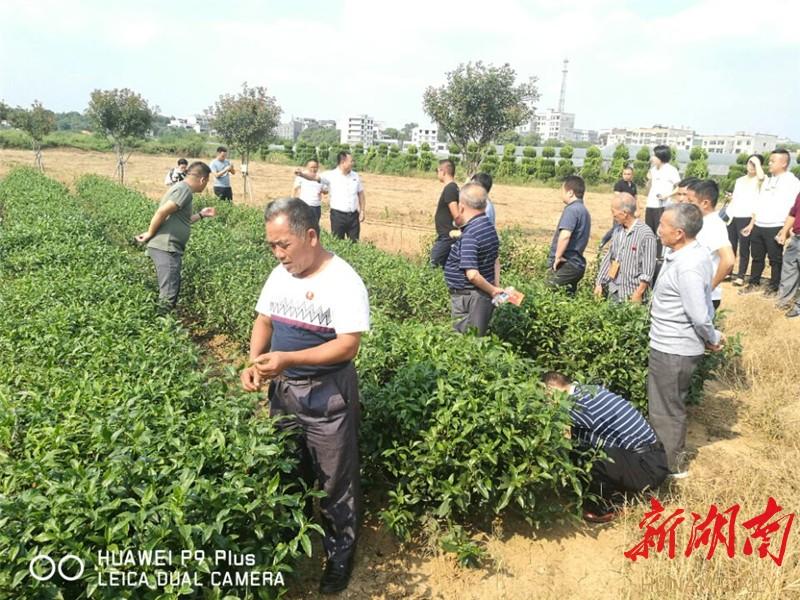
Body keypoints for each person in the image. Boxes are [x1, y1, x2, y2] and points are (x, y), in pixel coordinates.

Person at [240, 198, 369, 595]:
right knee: (289, 469)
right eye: (272, 247)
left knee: (335, 481)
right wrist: (253, 362)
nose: (278, 255)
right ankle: (293, 542)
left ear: (310, 236)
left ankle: (340, 555)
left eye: (284, 245)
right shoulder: (279, 275)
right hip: (283, 392)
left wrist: (288, 358)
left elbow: (348, 346)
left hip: (326, 394)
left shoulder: (343, 279)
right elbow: (263, 320)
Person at [648, 203, 724, 477]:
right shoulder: (685, 255)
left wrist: (711, 336)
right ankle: (664, 458)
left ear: (679, 233)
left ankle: (670, 467)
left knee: (666, 409)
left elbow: (699, 313)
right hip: (670, 345)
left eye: (663, 226)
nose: (659, 231)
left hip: (674, 348)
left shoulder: (689, 265)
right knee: (665, 405)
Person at [543, 372, 669, 524]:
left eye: (546, 397)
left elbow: (554, 430)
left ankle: (606, 507)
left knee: (588, 453)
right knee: (584, 439)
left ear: (552, 391)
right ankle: (618, 489)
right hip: (653, 459)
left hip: (646, 469)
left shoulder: (579, 405)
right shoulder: (589, 390)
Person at [135, 162, 216, 308]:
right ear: (202, 179)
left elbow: (182, 219)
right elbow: (162, 212)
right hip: (166, 248)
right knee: (168, 294)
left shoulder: (182, 189)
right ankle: (162, 327)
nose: (205, 186)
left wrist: (201, 214)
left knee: (170, 290)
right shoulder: (184, 190)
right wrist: (149, 233)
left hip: (168, 248)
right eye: (207, 182)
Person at [739, 149, 800, 297]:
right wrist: (752, 224)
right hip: (759, 224)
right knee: (757, 257)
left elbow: (794, 209)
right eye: (770, 161)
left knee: (775, 259)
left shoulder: (792, 182)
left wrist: (785, 230)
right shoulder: (767, 180)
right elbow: (759, 203)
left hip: (776, 225)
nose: (770, 164)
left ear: (784, 163)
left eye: (773, 161)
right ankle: (753, 283)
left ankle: (774, 286)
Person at [443, 182, 502, 336]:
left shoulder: (471, 234)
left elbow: (473, 275)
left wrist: (494, 290)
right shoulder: (489, 227)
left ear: (461, 207)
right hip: (480, 295)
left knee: (465, 343)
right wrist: (495, 285)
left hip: (469, 298)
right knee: (476, 338)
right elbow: (496, 260)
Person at [594, 193, 657, 303]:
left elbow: (648, 269)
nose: (612, 215)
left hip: (632, 294)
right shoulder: (617, 231)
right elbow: (609, 258)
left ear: (624, 213)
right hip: (614, 290)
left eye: (614, 212)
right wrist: (599, 283)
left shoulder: (645, 233)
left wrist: (638, 293)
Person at [686, 180, 735, 310]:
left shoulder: (714, 225)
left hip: (705, 298)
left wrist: (710, 288)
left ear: (705, 203)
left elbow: (729, 260)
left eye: (691, 201)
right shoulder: (701, 222)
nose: (687, 204)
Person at [296, 151, 365, 242]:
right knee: (337, 242)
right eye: (351, 161)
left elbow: (361, 193)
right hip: (338, 216)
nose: (353, 163)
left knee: (355, 243)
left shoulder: (355, 176)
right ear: (343, 162)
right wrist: (302, 174)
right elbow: (314, 177)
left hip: (353, 216)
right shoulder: (331, 175)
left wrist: (362, 211)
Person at [547, 175, 592, 295]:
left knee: (546, 293)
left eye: (562, 190)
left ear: (570, 193)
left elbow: (565, 235)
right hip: (576, 265)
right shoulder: (584, 211)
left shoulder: (572, 210)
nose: (561, 193)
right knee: (566, 298)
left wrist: (557, 257)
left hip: (567, 263)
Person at [727, 155, 765, 286]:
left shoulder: (760, 180)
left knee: (744, 248)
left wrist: (751, 222)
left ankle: (741, 275)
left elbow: (761, 177)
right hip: (733, 216)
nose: (752, 166)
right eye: (750, 162)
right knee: (730, 246)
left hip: (746, 217)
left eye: (755, 164)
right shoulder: (739, 180)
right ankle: (728, 271)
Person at [645, 145, 681, 255]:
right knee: (649, 231)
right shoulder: (653, 170)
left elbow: (679, 186)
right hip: (651, 204)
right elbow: (649, 183)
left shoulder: (671, 170)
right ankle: (649, 254)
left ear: (661, 156)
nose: (652, 158)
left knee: (660, 231)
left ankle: (659, 256)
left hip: (662, 205)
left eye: (654, 156)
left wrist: (667, 195)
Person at [430, 159, 460, 267]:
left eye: (437, 171)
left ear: (443, 171)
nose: (437, 173)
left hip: (447, 236)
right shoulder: (453, 188)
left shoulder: (450, 188)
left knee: (434, 263)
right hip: (446, 235)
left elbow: (456, 215)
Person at [775, 191, 800, 317]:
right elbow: (792, 214)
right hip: (796, 239)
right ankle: (783, 301)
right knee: (789, 271)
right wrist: (784, 232)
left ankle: (798, 307)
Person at [600, 166, 639, 248]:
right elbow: (618, 198)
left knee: (628, 228)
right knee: (616, 228)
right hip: (620, 211)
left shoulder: (633, 185)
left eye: (628, 174)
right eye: (624, 174)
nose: (626, 176)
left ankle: (623, 245)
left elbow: (635, 199)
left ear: (632, 175)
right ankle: (603, 242)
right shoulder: (619, 184)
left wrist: (637, 210)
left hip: (630, 212)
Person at [292, 158, 328, 226]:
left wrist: (323, 191)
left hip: (316, 207)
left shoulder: (320, 178)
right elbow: (295, 189)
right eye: (311, 167)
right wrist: (293, 203)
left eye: (315, 167)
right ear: (307, 167)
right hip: (304, 205)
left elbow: (326, 191)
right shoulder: (301, 176)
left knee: (315, 226)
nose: (313, 169)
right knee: (303, 225)